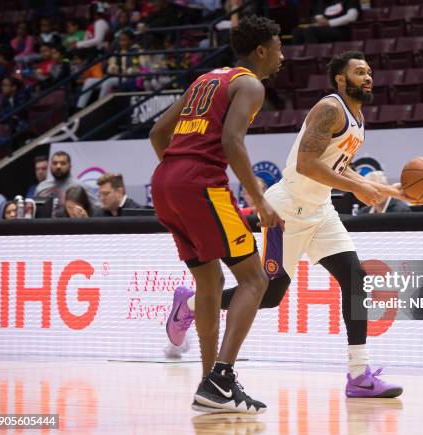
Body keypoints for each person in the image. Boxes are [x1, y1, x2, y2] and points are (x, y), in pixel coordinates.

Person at [220, 51, 405, 398]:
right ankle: (192, 303)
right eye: (360, 72)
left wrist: (386, 189)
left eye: (369, 72)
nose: (368, 77)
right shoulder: (330, 109)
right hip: (286, 211)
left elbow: (338, 165)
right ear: (340, 79)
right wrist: (357, 187)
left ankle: (359, 374)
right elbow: (306, 163)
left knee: (355, 278)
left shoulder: (358, 116)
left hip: (321, 211)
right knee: (269, 295)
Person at [149, 15, 283, 414]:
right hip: (200, 184)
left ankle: (210, 385)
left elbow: (158, 133)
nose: (283, 55)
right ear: (261, 50)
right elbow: (231, 141)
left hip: (165, 181)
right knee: (256, 280)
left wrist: (177, 174)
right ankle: (222, 377)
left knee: (208, 281)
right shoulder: (250, 84)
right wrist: (259, 199)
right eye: (279, 47)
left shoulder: (205, 79)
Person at [292, 0, 361, 44]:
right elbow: (318, 14)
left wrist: (329, 23)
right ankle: (297, 63)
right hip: (325, 28)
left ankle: (315, 59)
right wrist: (319, 20)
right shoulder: (325, 1)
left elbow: (352, 17)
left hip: (342, 29)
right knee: (297, 31)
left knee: (310, 31)